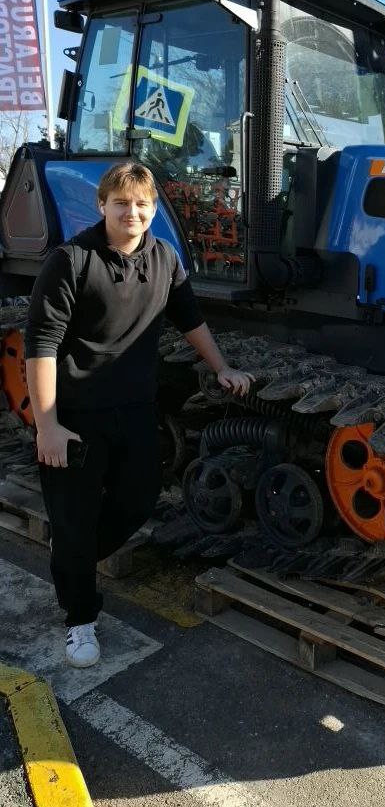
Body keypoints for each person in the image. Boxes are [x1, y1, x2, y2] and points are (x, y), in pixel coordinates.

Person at [24, 162, 252, 669]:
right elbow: (40, 345)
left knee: (138, 501)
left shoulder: (165, 258)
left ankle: (72, 558)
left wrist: (222, 367)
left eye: (142, 204)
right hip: (75, 417)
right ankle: (80, 617)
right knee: (75, 518)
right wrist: (48, 425)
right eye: (122, 203)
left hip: (133, 411)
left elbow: (190, 319)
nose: (133, 212)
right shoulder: (71, 261)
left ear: (152, 209)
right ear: (102, 204)